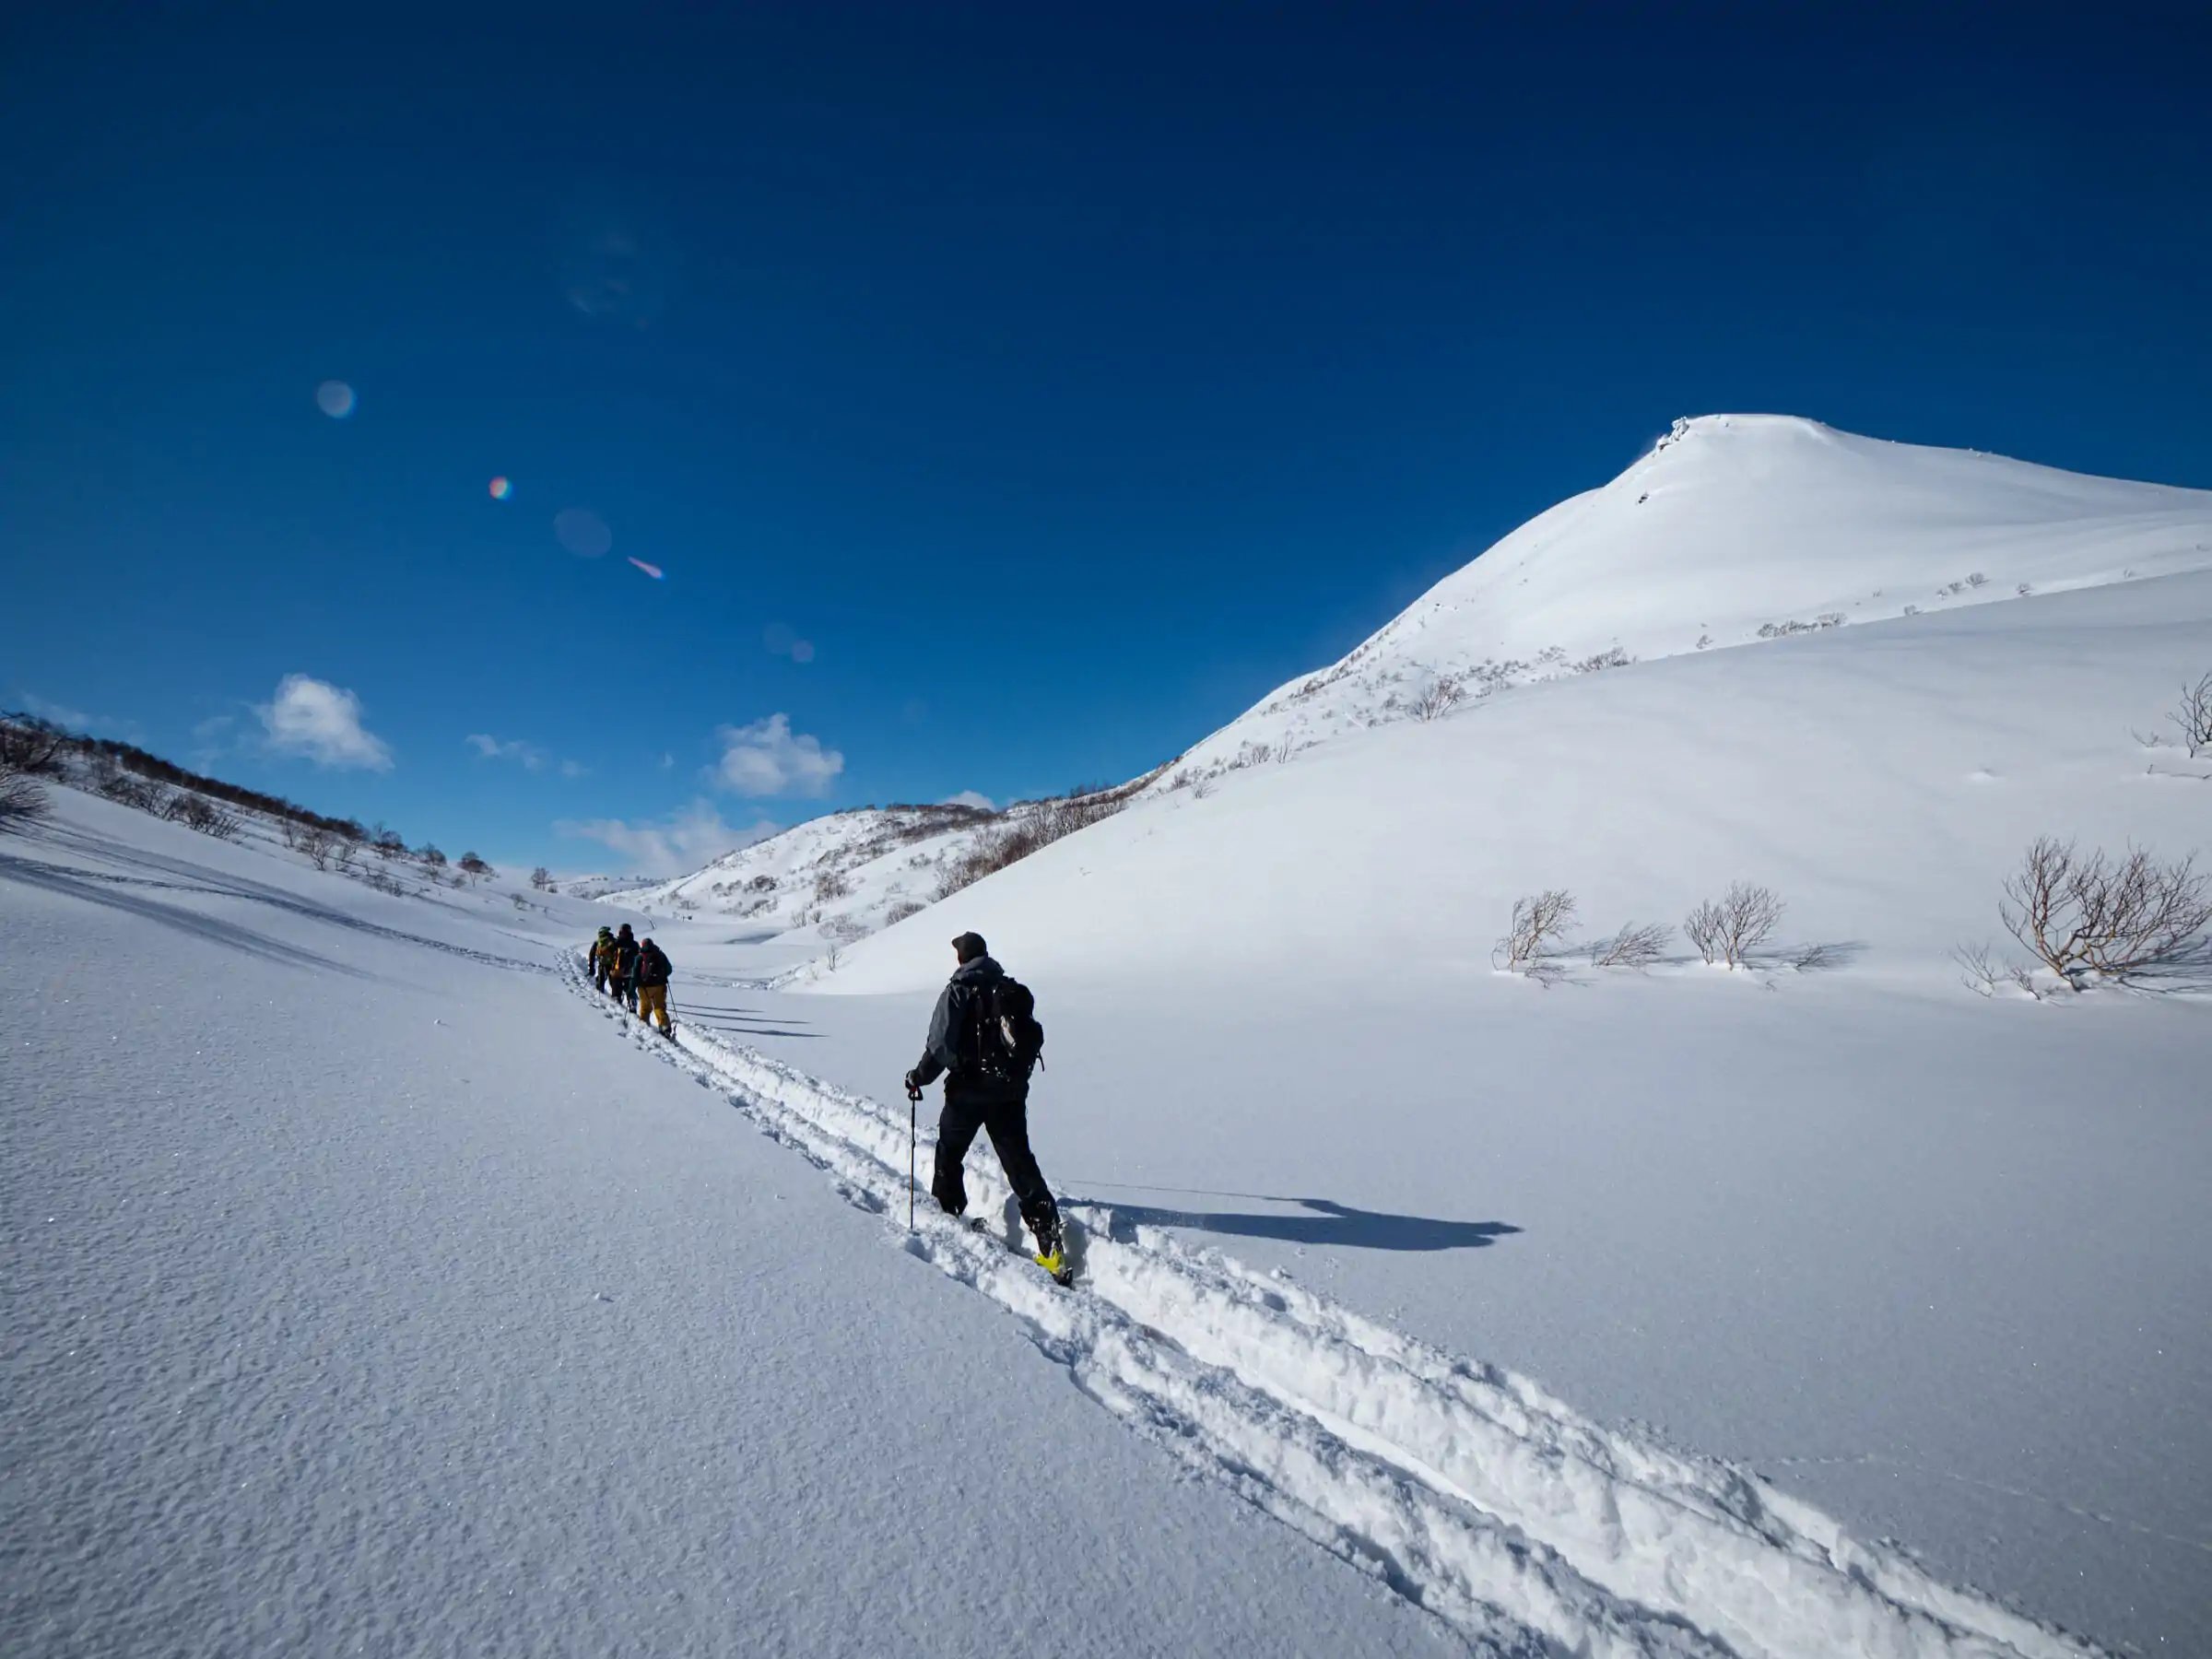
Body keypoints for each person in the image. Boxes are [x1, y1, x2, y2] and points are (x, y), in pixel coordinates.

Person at [904, 932, 1064, 1275]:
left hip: (968, 1091)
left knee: (949, 1150)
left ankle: (949, 1215)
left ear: (961, 958)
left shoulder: (958, 990)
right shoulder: (1008, 989)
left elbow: (940, 1047)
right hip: (1009, 1091)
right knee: (1019, 1162)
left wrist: (918, 1077)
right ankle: (1051, 1242)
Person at [635, 936, 674, 1036]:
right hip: (659, 986)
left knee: (645, 1008)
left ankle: (644, 1026)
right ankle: (664, 1026)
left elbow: (634, 972)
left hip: (644, 987)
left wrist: (632, 987)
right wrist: (661, 977)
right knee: (659, 1007)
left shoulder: (640, 956)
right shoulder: (660, 955)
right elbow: (669, 969)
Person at [610, 923, 641, 1011]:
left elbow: (611, 954)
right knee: (629, 987)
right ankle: (632, 1001)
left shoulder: (617, 942)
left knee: (616, 985)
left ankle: (616, 999)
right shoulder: (634, 944)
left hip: (617, 970)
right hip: (630, 970)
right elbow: (639, 956)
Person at [589, 925, 615, 993]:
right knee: (614, 982)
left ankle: (600, 992)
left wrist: (591, 967)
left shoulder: (598, 942)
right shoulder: (613, 940)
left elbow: (592, 954)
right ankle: (617, 999)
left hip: (602, 963)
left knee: (601, 980)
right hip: (614, 964)